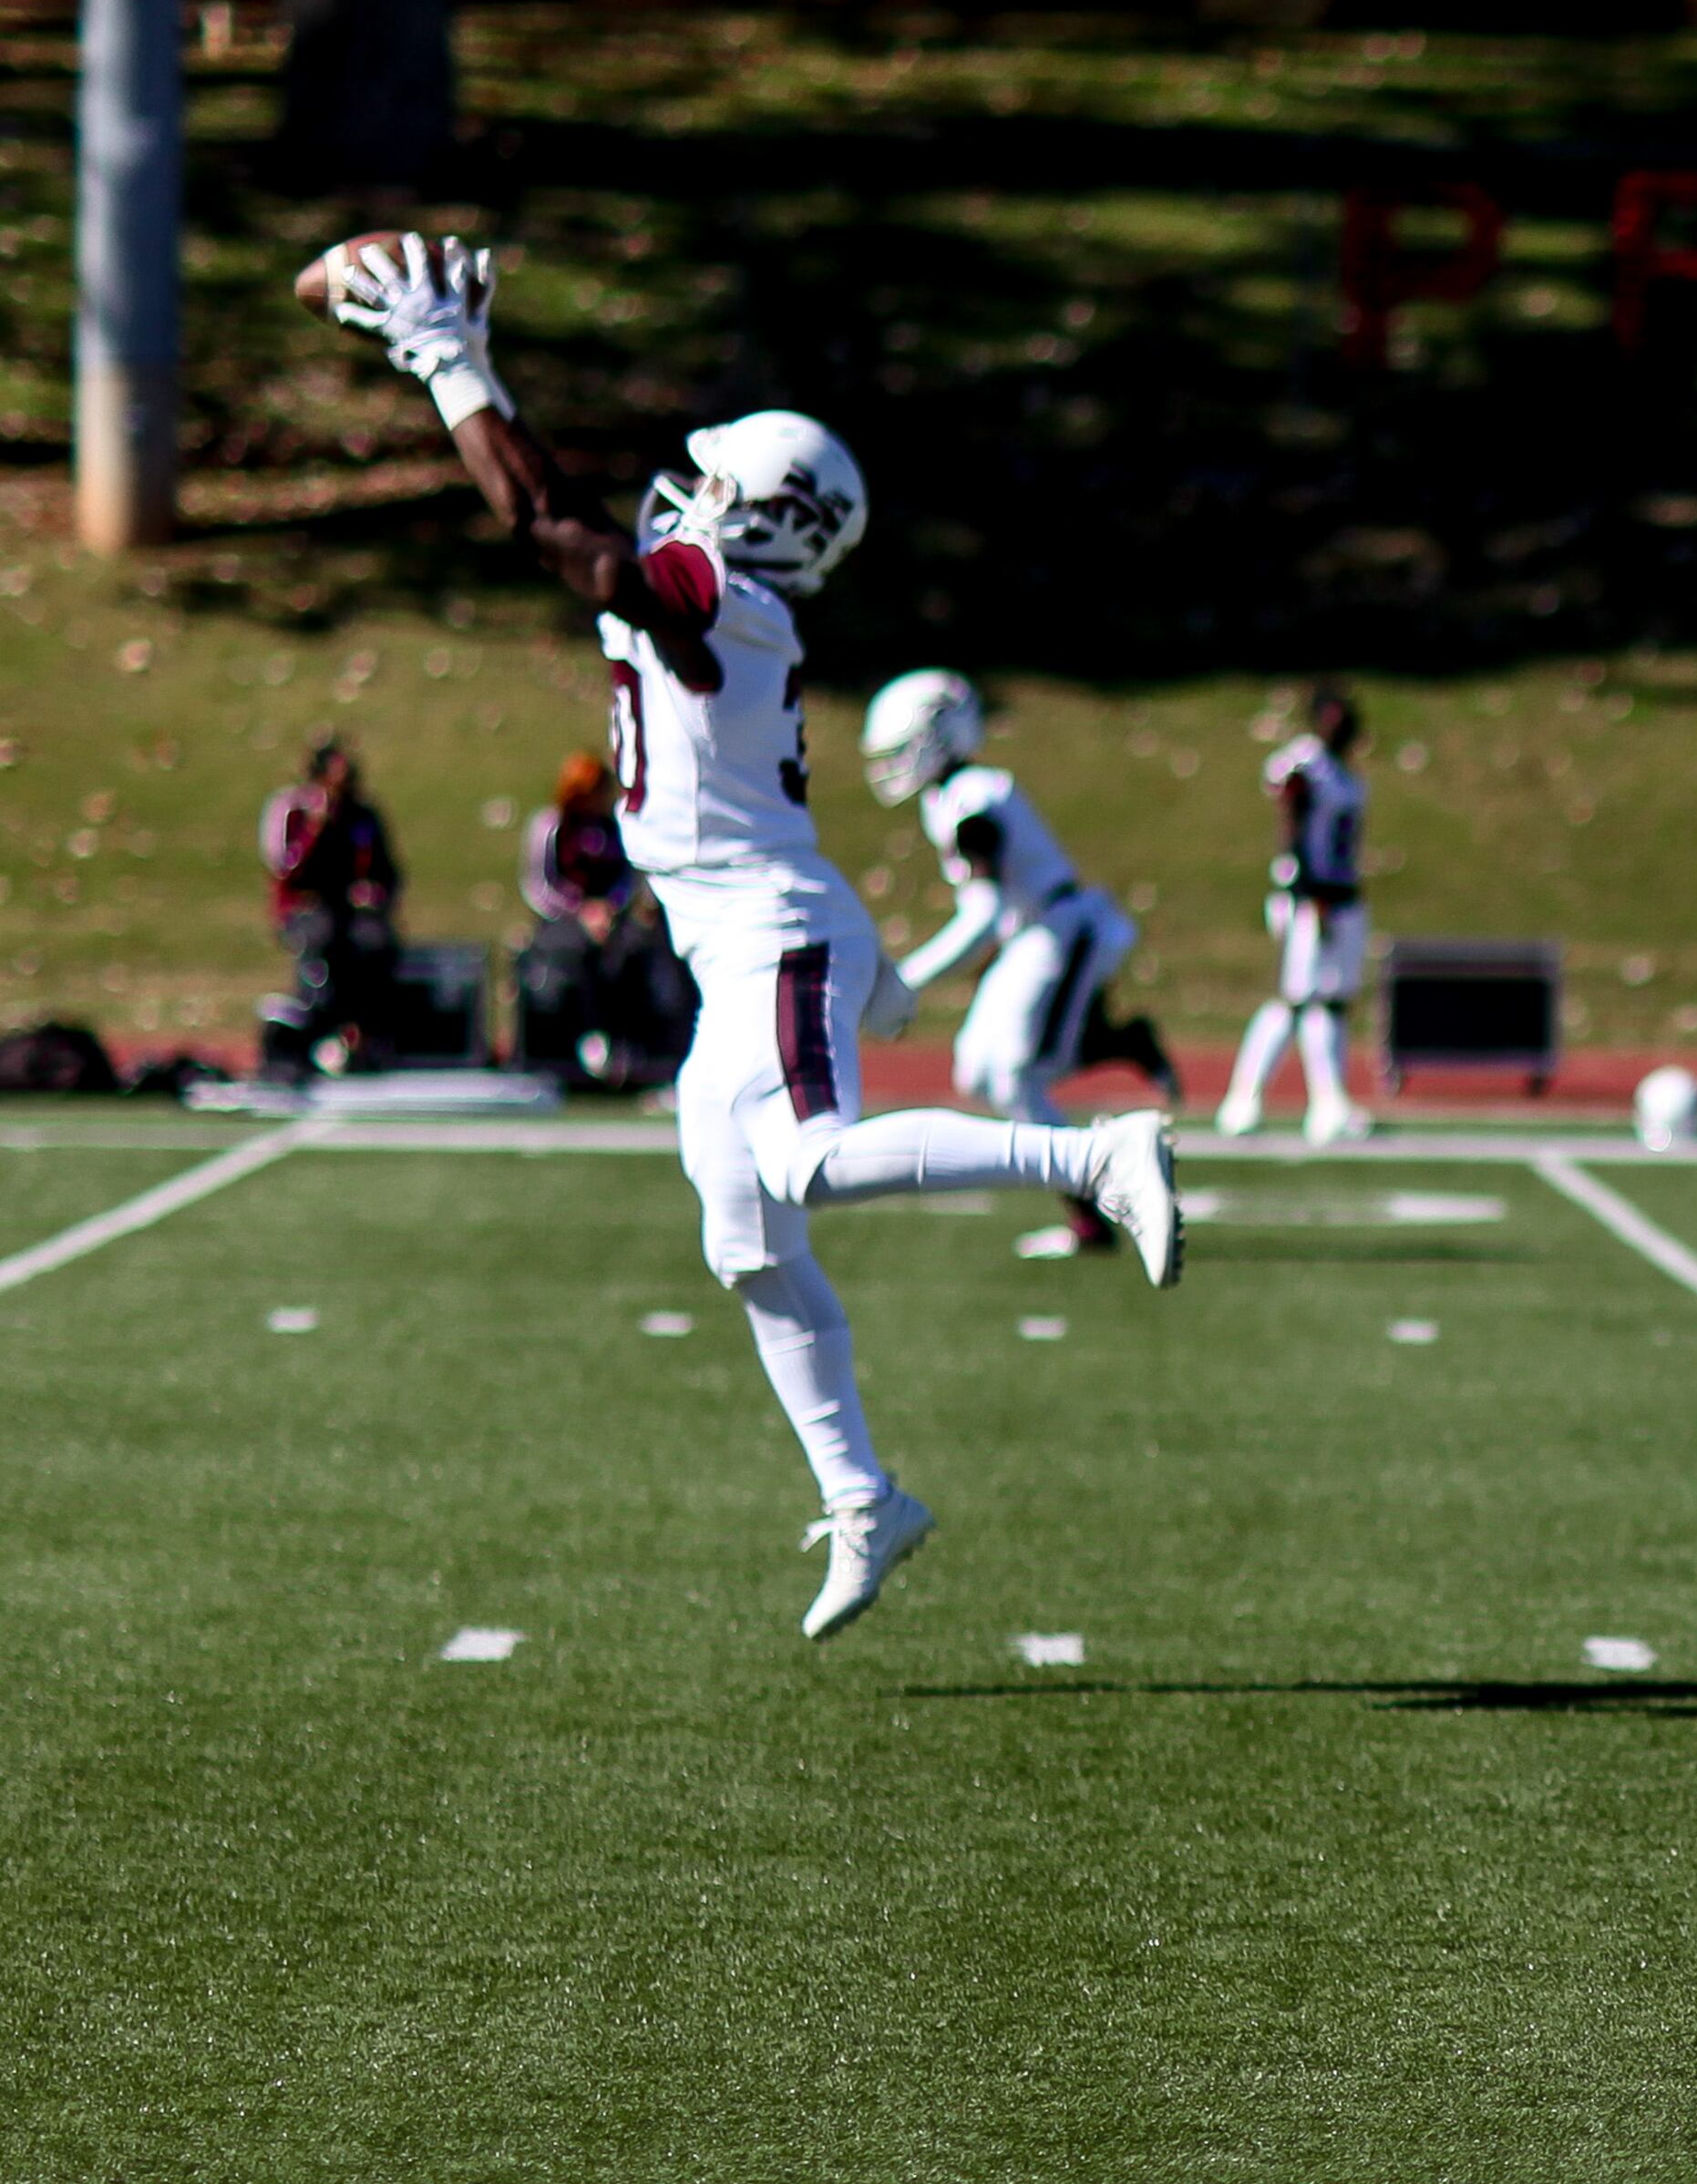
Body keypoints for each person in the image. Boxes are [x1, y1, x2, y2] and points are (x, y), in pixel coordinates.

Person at [329, 231, 1180, 1639]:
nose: (691, 488)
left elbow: (554, 533)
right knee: (743, 1234)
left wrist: (445, 362)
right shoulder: (715, 598)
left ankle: (1097, 1153)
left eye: (720, 478)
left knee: (807, 1160)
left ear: (763, 514)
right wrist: (462, 366)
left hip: (777, 937)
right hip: (746, 942)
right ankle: (866, 1502)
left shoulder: (729, 598)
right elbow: (561, 515)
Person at [862, 670, 1179, 1261]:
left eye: (905, 747)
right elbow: (988, 912)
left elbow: (983, 910)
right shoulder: (949, 799)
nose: (896, 762)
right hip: (1028, 935)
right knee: (976, 1072)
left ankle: (1095, 1209)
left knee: (1014, 1074)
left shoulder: (973, 797)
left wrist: (905, 980)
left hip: (1055, 929)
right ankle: (1122, 1049)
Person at [1215, 688, 1373, 1146]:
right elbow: (1293, 823)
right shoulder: (1306, 767)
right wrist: (1306, 890)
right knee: (1295, 999)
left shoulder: (1345, 773)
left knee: (1333, 1003)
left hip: (1342, 895)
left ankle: (1330, 1103)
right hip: (1310, 895)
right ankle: (1245, 1100)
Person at [518, 749, 693, 1088]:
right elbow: (539, 885)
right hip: (562, 921)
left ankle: (634, 1044)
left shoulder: (613, 828)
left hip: (611, 920)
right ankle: (589, 1036)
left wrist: (609, 908)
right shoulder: (551, 825)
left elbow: (627, 879)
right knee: (579, 954)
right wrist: (581, 911)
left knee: (635, 951)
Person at [256, 739, 402, 1073]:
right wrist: (315, 828)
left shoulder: (363, 816)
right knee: (322, 937)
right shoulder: (291, 810)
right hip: (305, 909)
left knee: (375, 942)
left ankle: (365, 1036)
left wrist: (374, 891)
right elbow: (285, 868)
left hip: (353, 911)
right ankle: (315, 1032)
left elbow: (387, 870)